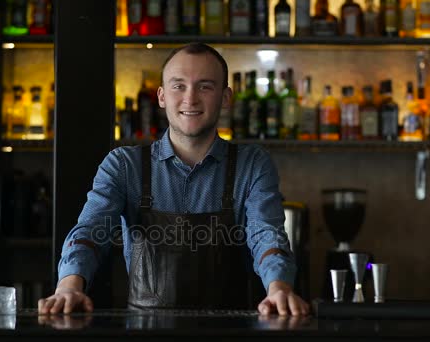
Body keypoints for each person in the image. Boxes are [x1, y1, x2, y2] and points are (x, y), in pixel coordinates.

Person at [38, 43, 309, 316]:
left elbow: (266, 234)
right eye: (178, 86)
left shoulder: (252, 164)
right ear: (161, 96)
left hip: (230, 331)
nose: (190, 99)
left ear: (226, 97)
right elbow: (90, 231)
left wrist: (279, 288)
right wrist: (69, 285)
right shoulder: (123, 165)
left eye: (205, 86)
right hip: (146, 330)